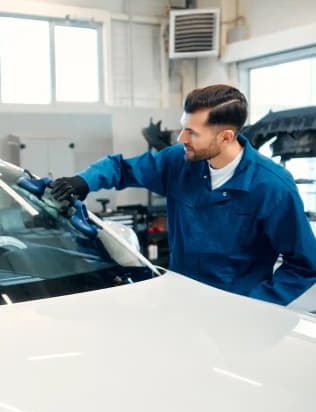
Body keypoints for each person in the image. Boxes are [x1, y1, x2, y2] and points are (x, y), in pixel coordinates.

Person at [48, 84, 316, 306]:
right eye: (183, 128)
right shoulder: (178, 161)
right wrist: (84, 181)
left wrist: (255, 306)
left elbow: (305, 265)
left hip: (234, 313)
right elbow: (121, 169)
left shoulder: (272, 187)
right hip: (178, 301)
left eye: (192, 133)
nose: (181, 139)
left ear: (225, 137)